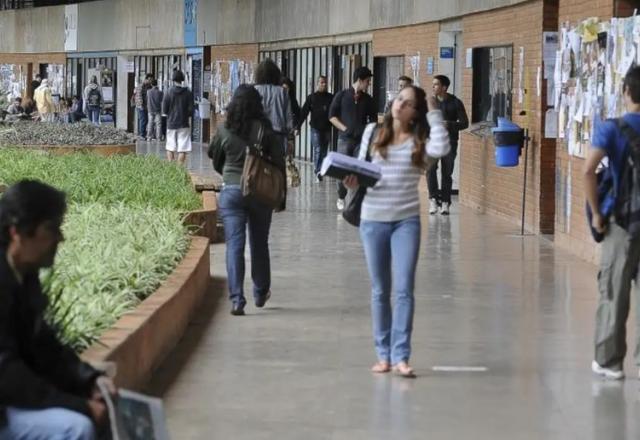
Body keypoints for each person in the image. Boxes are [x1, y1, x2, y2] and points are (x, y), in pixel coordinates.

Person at [344, 86, 450, 378]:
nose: (399, 104)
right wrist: (351, 183)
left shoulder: (419, 143)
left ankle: (401, 356)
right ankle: (383, 355)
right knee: (380, 290)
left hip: (406, 222)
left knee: (403, 290)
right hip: (372, 220)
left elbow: (442, 148)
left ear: (415, 112)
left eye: (407, 103)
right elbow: (359, 171)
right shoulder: (373, 134)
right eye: (398, 99)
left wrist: (434, 110)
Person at [0, 180, 117, 439]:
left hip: (11, 397)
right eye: (51, 229)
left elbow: (43, 343)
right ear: (16, 231)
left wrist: (89, 380)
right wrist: (78, 405)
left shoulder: (24, 273)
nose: (60, 238)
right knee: (76, 428)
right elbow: (5, 371)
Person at [208, 85, 286, 316]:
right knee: (259, 243)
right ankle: (261, 292)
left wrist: (228, 174)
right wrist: (281, 196)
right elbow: (279, 163)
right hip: (260, 193)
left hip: (231, 192)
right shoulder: (265, 130)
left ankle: (236, 300)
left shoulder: (224, 129)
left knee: (235, 245)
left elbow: (214, 157)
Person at [584, 66, 640, 380]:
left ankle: (609, 361)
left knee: (613, 291)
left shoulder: (612, 129)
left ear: (626, 91)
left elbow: (588, 171)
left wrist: (596, 213)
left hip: (621, 224)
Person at [329, 66, 377, 210]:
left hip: (361, 142)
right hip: (344, 140)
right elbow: (332, 116)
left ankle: (354, 204)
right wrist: (345, 129)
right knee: (342, 171)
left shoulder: (368, 99)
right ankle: (341, 195)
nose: (369, 84)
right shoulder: (342, 95)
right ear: (360, 80)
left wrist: (368, 131)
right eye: (367, 81)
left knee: (358, 171)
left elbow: (373, 120)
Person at [427, 74, 469, 215]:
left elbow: (465, 123)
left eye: (436, 85)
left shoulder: (456, 102)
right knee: (430, 169)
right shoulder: (430, 102)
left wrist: (449, 125)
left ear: (444, 87)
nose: (433, 87)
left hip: (450, 142)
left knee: (447, 172)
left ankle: (445, 202)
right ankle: (433, 199)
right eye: (433, 84)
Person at [297, 75, 334, 182]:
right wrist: (298, 126)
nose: (324, 84)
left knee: (324, 150)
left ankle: (320, 169)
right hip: (315, 128)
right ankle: (318, 170)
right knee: (318, 149)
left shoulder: (330, 98)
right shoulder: (312, 97)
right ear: (317, 84)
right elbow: (304, 112)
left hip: (327, 128)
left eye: (325, 82)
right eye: (321, 82)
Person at [254, 59, 293, 155]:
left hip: (258, 135)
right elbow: (288, 117)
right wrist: (290, 139)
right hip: (278, 135)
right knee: (276, 166)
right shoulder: (282, 92)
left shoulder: (254, 90)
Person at [162, 70, 194, 164]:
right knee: (182, 148)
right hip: (184, 123)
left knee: (170, 146)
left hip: (171, 123)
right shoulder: (188, 92)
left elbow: (164, 109)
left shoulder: (168, 92)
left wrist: (169, 114)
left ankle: (172, 168)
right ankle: (179, 169)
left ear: (173, 80)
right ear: (182, 80)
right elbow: (191, 110)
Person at [131, 74, 153, 139]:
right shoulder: (141, 86)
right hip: (141, 106)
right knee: (143, 120)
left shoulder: (149, 86)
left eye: (151, 80)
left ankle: (143, 133)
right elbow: (138, 96)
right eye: (149, 80)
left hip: (147, 106)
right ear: (146, 79)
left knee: (145, 120)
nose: (150, 81)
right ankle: (142, 134)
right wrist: (140, 105)